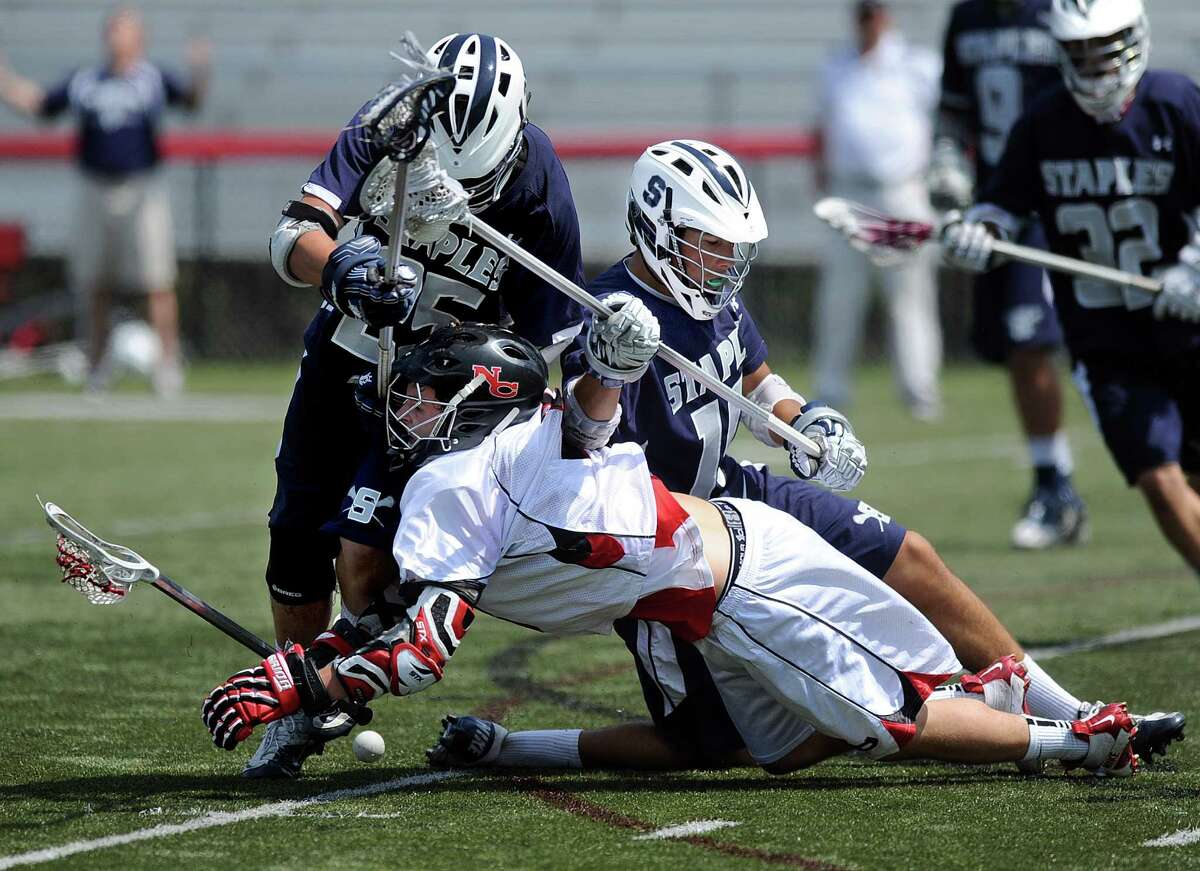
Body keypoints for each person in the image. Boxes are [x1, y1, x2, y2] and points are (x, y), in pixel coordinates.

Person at [416, 139, 1182, 773]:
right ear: (658, 232)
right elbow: (579, 437)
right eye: (708, 243)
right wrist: (609, 367)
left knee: (911, 554)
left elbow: (754, 374)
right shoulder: (611, 316)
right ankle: (513, 747)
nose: (724, 261)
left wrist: (802, 421)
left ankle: (1064, 710)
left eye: (731, 246)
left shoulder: (708, 295)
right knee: (719, 748)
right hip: (673, 547)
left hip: (744, 493)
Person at [201, 322, 1146, 779]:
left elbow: (418, 653)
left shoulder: (460, 477)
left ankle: (1068, 741)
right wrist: (305, 668)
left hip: (742, 585)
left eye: (421, 395)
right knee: (778, 751)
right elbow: (404, 626)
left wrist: (301, 683)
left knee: (894, 722)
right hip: (706, 580)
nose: (402, 411)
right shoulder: (504, 449)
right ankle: (991, 694)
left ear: (476, 398)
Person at [252, 32, 585, 778]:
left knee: (365, 557)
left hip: (435, 392)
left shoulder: (538, 185)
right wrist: (345, 262)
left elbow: (542, 343)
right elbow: (289, 235)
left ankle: (334, 682)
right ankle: (299, 699)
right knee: (295, 542)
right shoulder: (386, 128)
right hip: (344, 353)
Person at [941, 0, 1200, 575]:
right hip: (1108, 338)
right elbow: (1002, 204)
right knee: (1159, 477)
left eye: (1103, 51)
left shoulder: (1176, 104)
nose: (1092, 67)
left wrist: (1195, 267)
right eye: (1078, 53)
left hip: (1189, 326)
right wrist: (979, 234)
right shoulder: (1045, 121)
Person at [929, 0, 1088, 550]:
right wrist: (947, 162)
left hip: (1056, 199)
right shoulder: (968, 16)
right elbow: (952, 109)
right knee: (1013, 349)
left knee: (1032, 342)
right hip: (996, 203)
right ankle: (1056, 484)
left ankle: (1056, 486)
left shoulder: (1062, 12)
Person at [0, 7, 208, 398]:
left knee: (157, 281)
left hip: (142, 188)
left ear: (138, 38)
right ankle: (97, 368)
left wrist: (200, 69)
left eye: (124, 31)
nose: (117, 38)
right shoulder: (86, 81)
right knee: (95, 284)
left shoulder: (152, 79)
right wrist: (6, 81)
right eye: (113, 30)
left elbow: (192, 101)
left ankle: (167, 367)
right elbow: (42, 105)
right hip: (93, 187)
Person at [811, 0, 943, 420]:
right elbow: (819, 127)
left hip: (900, 192)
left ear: (888, 17)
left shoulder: (917, 66)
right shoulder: (836, 66)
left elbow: (946, 123)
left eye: (874, 14)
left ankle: (918, 387)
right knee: (839, 296)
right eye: (862, 14)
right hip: (850, 193)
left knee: (909, 295)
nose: (868, 23)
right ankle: (830, 388)